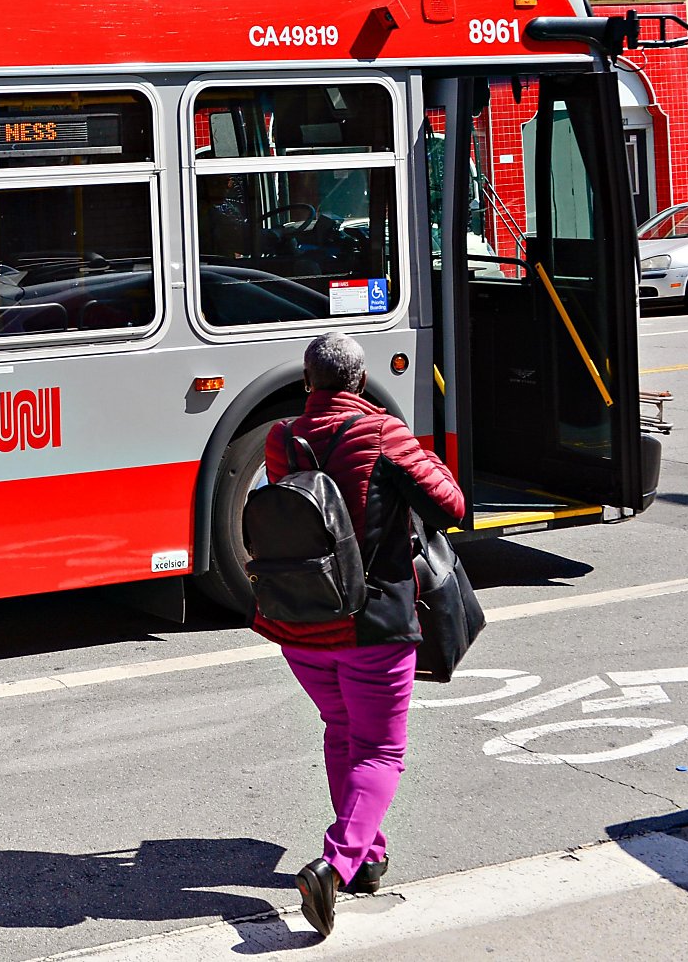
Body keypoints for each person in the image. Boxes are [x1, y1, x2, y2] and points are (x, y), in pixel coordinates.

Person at [257, 332, 465, 940]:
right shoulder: (381, 432)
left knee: (342, 729)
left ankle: (368, 857)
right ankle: (337, 863)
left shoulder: (282, 439)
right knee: (381, 750)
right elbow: (449, 504)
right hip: (372, 621)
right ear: (360, 380)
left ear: (307, 382)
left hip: (298, 622)